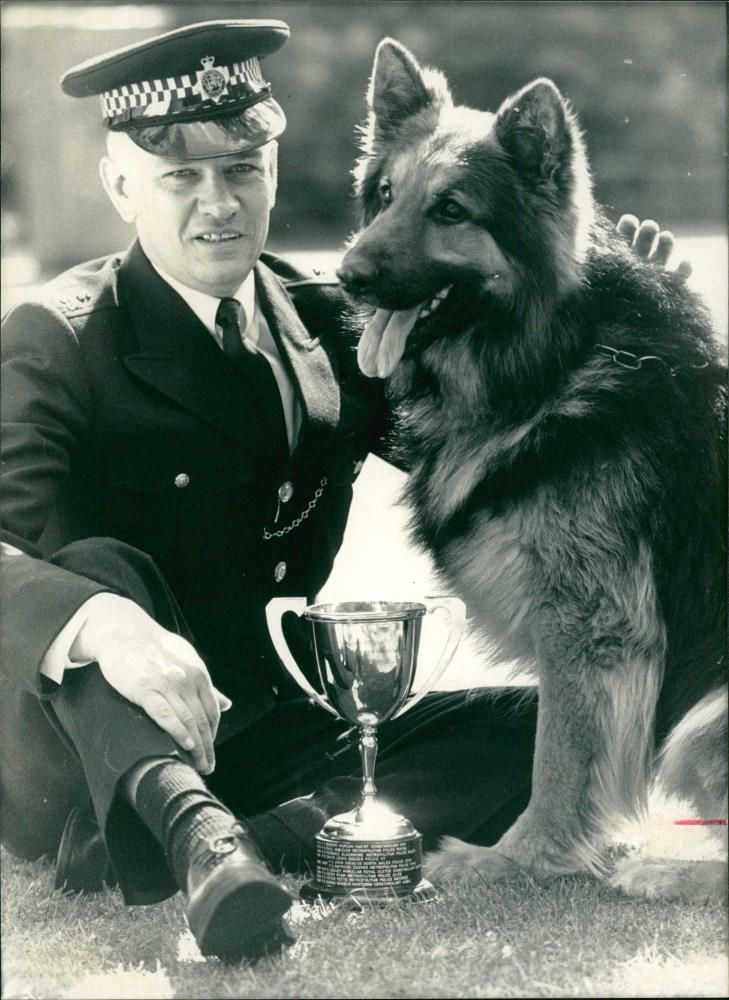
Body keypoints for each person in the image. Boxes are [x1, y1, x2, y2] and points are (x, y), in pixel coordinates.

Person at [0, 18, 685, 962]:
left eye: (242, 169)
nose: (219, 204)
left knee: (556, 735)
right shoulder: (55, 335)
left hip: (266, 730)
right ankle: (199, 838)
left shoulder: (328, 324)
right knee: (102, 574)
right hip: (94, 752)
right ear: (120, 185)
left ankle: (284, 830)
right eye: (180, 178)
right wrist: (95, 621)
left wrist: (620, 331)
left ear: (274, 174)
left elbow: (504, 442)